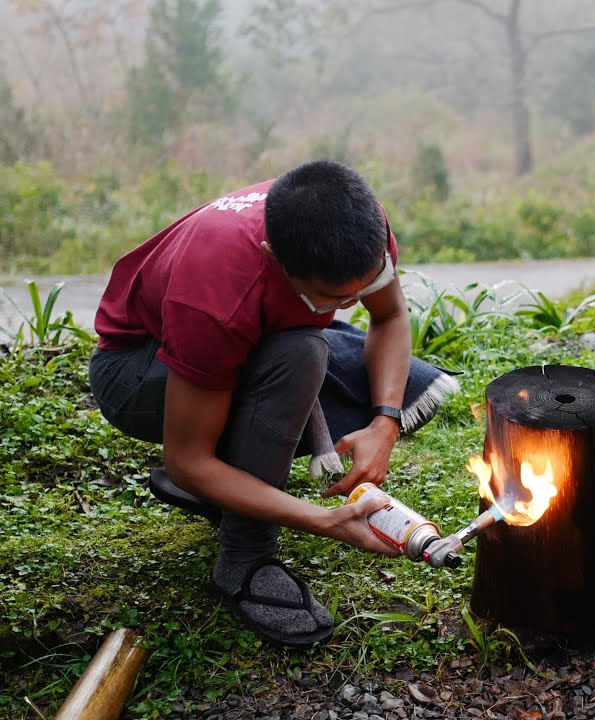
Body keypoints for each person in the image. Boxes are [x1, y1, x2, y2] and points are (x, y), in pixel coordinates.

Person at [89, 160, 458, 647]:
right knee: (302, 354)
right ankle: (244, 559)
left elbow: (388, 317)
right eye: (330, 295)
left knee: (401, 382)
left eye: (360, 288)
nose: (349, 306)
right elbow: (186, 460)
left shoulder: (353, 225)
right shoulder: (216, 296)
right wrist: (323, 520)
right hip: (138, 370)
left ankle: (234, 481)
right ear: (272, 255)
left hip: (247, 338)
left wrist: (384, 423)